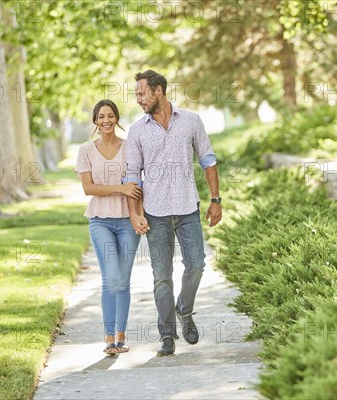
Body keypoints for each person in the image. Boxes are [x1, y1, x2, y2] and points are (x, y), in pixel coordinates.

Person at [123, 70, 222, 356]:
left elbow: (208, 159)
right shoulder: (138, 130)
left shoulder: (191, 120)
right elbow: (132, 175)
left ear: (158, 91)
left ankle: (184, 310)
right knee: (161, 277)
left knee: (197, 264)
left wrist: (216, 199)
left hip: (188, 208)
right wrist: (134, 213)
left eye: (142, 93)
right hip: (155, 213)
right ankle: (167, 334)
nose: (139, 99)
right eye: (137, 94)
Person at [74, 99, 143, 355]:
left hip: (126, 220)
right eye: (101, 116)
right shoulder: (85, 151)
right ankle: (108, 336)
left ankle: (120, 336)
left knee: (123, 281)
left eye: (110, 115)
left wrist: (138, 214)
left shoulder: (129, 148)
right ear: (95, 121)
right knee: (110, 278)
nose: (106, 120)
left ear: (116, 118)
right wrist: (119, 187)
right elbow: (88, 188)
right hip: (100, 220)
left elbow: (137, 186)